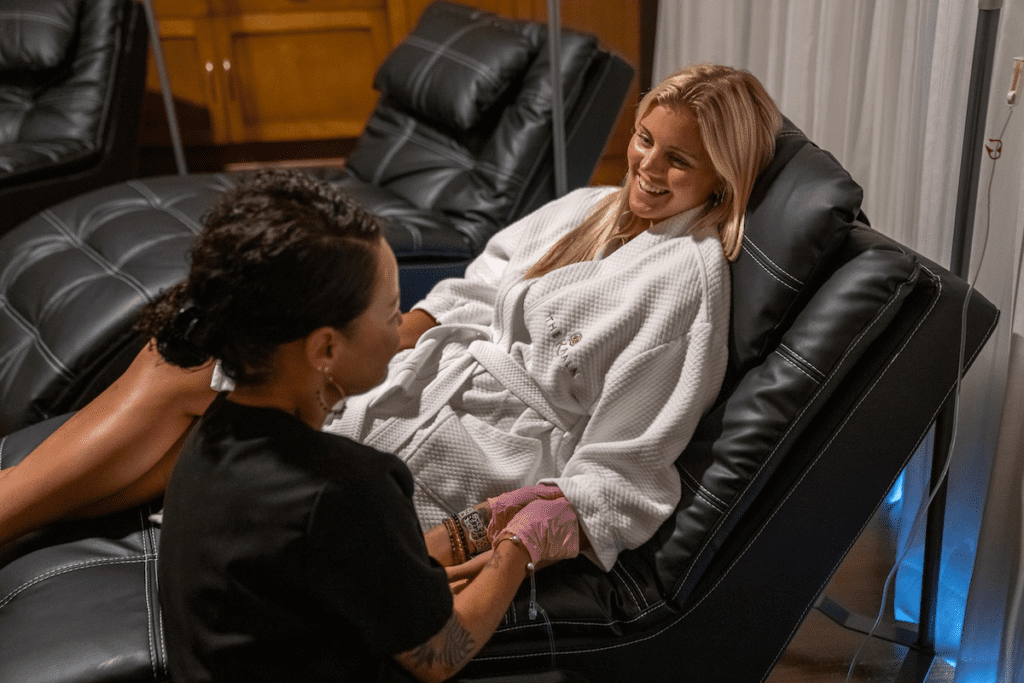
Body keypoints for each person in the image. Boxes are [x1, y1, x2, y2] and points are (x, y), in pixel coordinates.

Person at [0, 63, 782, 573]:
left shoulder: (686, 283)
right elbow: (478, 287)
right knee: (187, 373)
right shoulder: (590, 207)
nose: (646, 166)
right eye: (644, 139)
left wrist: (515, 534)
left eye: (677, 160)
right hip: (423, 376)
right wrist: (398, 335)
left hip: (475, 455)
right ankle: (12, 509)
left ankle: (10, 508)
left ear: (724, 174)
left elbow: (624, 470)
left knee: (197, 398)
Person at [138, 169, 580, 683]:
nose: (402, 328)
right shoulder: (346, 487)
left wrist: (473, 529)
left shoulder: (215, 432)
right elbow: (440, 653)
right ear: (326, 348)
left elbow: (348, 569)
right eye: (392, 312)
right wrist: (519, 550)